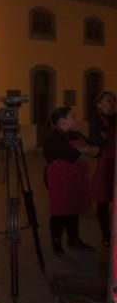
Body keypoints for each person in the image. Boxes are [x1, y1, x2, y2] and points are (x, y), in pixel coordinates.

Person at [43, 107, 99, 254]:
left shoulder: (75, 134)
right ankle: (56, 242)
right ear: (62, 121)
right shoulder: (52, 137)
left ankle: (74, 239)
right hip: (59, 178)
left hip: (76, 177)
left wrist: (85, 151)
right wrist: (84, 151)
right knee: (60, 210)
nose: (76, 119)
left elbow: (96, 149)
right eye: (72, 117)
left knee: (73, 208)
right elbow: (70, 154)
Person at [89, 91, 116, 246]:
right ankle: (106, 235)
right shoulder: (96, 119)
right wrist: (107, 137)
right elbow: (98, 139)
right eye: (108, 100)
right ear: (99, 104)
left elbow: (107, 136)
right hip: (105, 161)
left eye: (113, 100)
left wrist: (108, 136)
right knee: (103, 199)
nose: (111, 103)